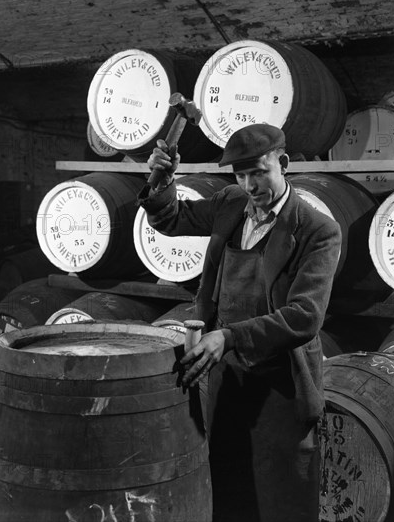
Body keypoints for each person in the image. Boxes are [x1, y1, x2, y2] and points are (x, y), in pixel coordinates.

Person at [138, 124, 341, 522]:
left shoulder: (317, 229)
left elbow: (305, 317)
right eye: (241, 174)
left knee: (283, 499)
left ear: (282, 164)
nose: (250, 184)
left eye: (259, 171)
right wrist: (162, 178)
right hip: (227, 379)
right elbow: (170, 220)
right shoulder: (230, 203)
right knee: (228, 490)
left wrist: (228, 336)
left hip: (282, 384)